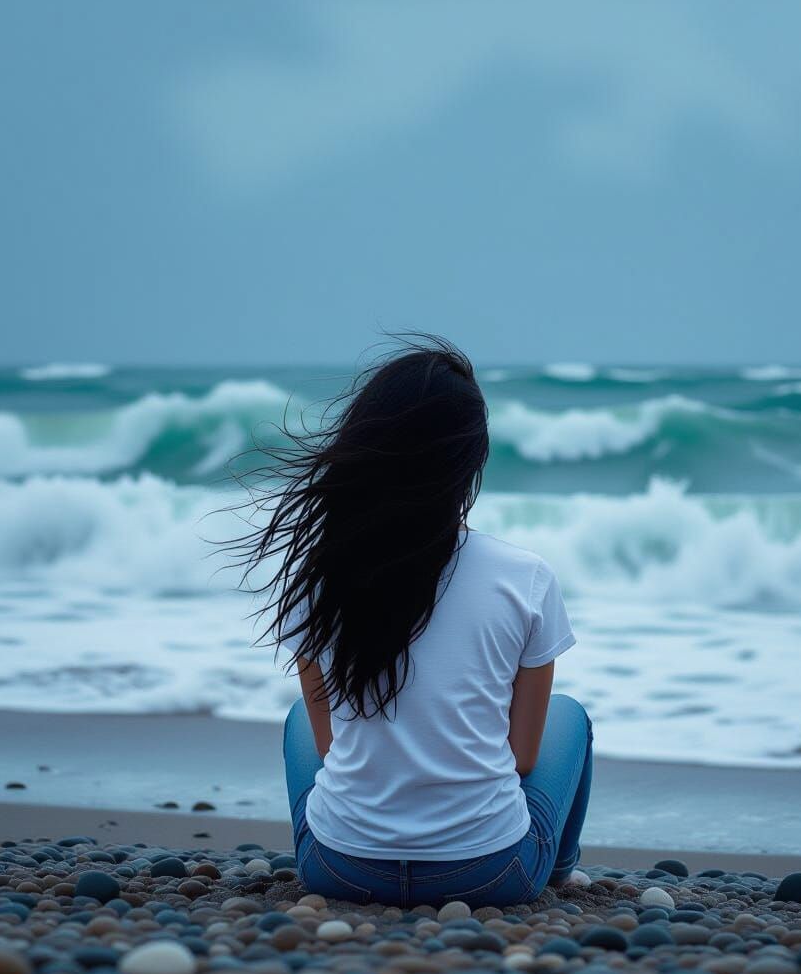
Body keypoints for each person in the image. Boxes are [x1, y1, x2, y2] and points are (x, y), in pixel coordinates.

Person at [238, 335, 592, 908]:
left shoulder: (321, 577)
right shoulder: (524, 577)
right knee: (570, 716)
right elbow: (523, 758)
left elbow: (329, 748)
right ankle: (558, 869)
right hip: (491, 872)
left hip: (340, 869)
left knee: (301, 720)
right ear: (470, 459)